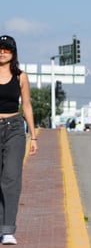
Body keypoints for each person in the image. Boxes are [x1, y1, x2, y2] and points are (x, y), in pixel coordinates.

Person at [0, 35, 37, 245]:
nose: (2, 52)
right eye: (0, 48)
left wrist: (33, 136)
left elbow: (27, 106)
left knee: (11, 179)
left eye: (7, 49)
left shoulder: (21, 76)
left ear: (13, 53)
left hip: (14, 127)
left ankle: (8, 229)